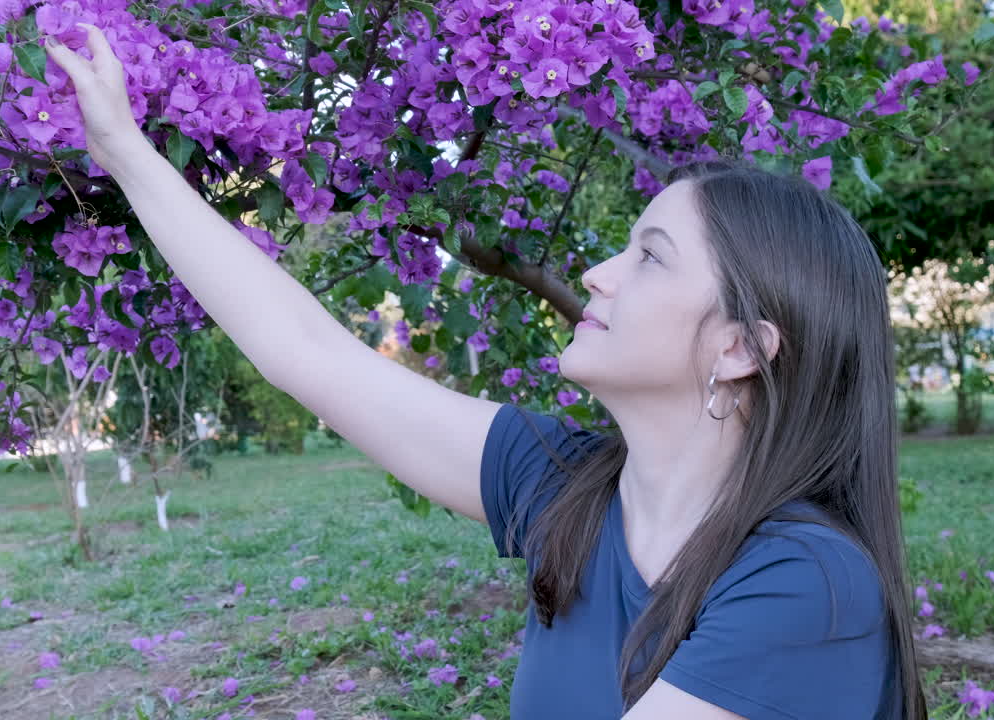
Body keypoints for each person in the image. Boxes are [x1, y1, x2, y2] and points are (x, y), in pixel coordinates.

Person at [46, 23, 925, 720]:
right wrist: (124, 150)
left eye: (648, 258)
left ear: (739, 348)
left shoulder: (807, 581)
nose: (597, 274)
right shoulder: (567, 487)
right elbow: (307, 355)